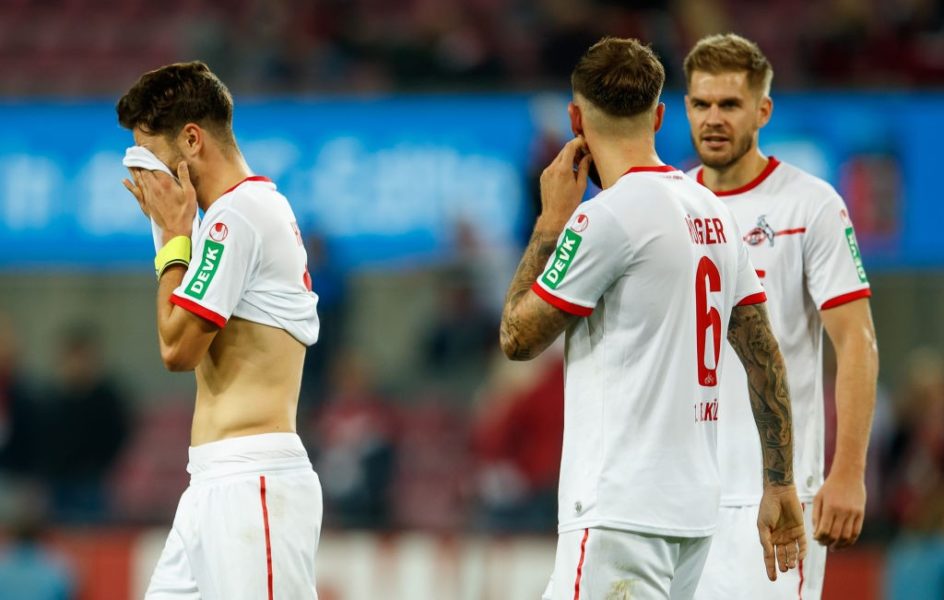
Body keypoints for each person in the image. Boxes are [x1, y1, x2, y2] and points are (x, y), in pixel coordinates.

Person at [499, 37, 806, 599]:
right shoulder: (713, 210)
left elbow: (517, 337)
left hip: (619, 510)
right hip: (692, 514)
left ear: (575, 118)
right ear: (661, 115)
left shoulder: (605, 220)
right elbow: (762, 353)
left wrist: (550, 224)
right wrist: (780, 480)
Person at [682, 34, 880, 600]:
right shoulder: (672, 205)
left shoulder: (809, 205)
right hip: (678, 489)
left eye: (729, 104)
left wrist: (847, 472)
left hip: (773, 494)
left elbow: (857, 342)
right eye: (701, 104)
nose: (713, 119)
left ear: (762, 110)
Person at [117, 61, 323, 599]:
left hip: (254, 482)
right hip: (212, 482)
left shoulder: (239, 216)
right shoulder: (230, 219)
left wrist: (170, 236)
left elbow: (177, 347)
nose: (147, 179)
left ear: (190, 140)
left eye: (151, 158)